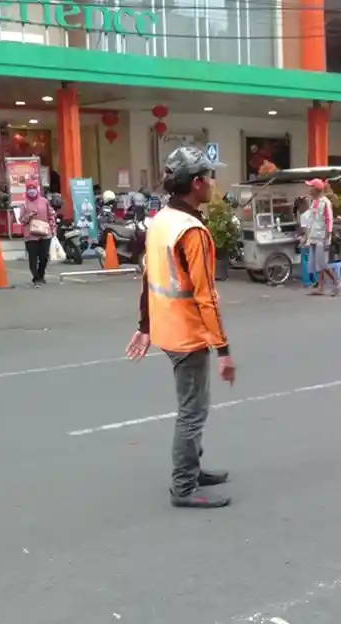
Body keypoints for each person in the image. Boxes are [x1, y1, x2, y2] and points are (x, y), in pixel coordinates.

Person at [125, 146, 237, 509]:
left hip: (166, 329)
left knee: (191, 406)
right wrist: (223, 351)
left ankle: (193, 467)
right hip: (188, 333)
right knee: (192, 410)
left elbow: (147, 277)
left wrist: (145, 325)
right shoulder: (192, 231)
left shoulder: (162, 221)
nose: (213, 185)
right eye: (210, 178)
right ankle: (184, 486)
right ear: (198, 183)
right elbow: (207, 298)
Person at [303, 178, 339, 296]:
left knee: (322, 263)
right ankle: (321, 287)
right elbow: (311, 220)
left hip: (322, 237)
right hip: (314, 236)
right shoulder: (314, 202)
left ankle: (336, 282)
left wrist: (327, 238)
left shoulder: (325, 202)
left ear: (316, 189)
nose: (309, 189)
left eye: (311, 187)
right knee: (315, 264)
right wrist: (306, 236)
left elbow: (329, 220)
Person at [19, 180, 56, 286]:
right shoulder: (24, 204)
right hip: (31, 236)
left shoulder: (44, 201)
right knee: (33, 259)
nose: (32, 191)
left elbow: (51, 215)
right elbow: (21, 220)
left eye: (33, 188)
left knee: (44, 257)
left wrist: (53, 228)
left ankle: (41, 274)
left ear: (37, 189)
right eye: (29, 189)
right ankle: (36, 278)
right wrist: (29, 215)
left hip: (45, 234)